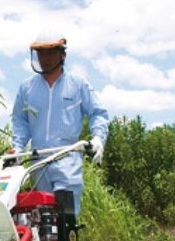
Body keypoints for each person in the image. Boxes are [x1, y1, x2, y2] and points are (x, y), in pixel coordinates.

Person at [10, 35, 109, 217]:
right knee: (43, 216)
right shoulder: (27, 88)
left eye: (50, 53)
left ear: (62, 55)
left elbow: (98, 113)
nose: (45, 59)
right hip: (37, 160)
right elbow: (20, 121)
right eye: (41, 54)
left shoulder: (78, 85)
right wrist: (17, 148)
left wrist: (98, 138)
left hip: (67, 157)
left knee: (65, 215)